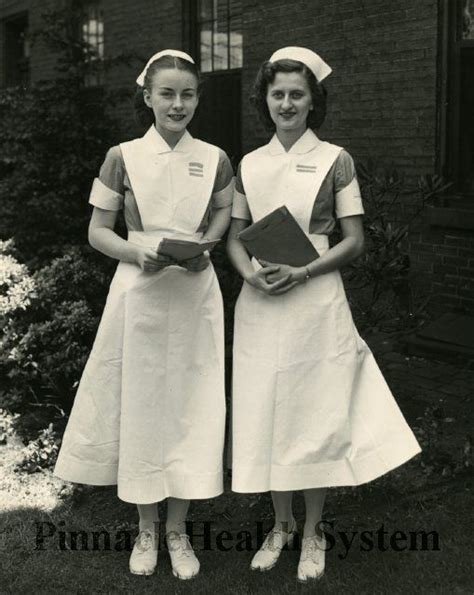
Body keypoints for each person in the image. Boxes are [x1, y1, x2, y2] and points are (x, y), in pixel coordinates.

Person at [227, 46, 421, 583]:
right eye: (277, 94)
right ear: (264, 101)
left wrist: (304, 273)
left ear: (314, 102)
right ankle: (280, 524)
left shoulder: (336, 159)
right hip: (262, 297)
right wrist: (248, 274)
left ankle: (313, 531)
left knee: (313, 412)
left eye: (297, 94)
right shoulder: (250, 163)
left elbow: (354, 240)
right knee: (267, 409)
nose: (286, 103)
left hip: (314, 297)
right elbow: (234, 239)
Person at [54, 49, 234, 580]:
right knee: (143, 405)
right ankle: (146, 529)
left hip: (195, 290)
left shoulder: (216, 157)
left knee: (191, 405)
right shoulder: (122, 155)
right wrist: (136, 252)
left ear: (198, 99)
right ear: (148, 97)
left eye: (187, 94)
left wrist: (211, 239)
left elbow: (225, 207)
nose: (177, 104)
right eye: (167, 94)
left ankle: (178, 529)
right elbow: (97, 230)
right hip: (140, 292)